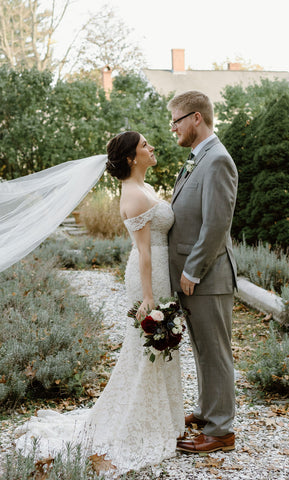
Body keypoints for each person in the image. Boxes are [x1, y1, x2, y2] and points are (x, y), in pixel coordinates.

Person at [15, 131, 184, 476]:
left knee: (155, 349)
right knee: (144, 349)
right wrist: (149, 297)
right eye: (145, 146)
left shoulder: (146, 188)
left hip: (161, 275)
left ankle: (164, 418)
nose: (152, 148)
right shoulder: (134, 196)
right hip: (147, 278)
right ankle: (140, 423)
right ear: (130, 158)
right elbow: (143, 250)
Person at [167, 91, 238, 453]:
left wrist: (192, 271)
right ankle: (208, 411)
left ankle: (222, 430)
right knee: (203, 351)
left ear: (196, 118)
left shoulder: (217, 161)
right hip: (198, 278)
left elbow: (215, 225)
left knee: (215, 353)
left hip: (208, 277)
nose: (173, 128)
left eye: (176, 120)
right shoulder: (199, 157)